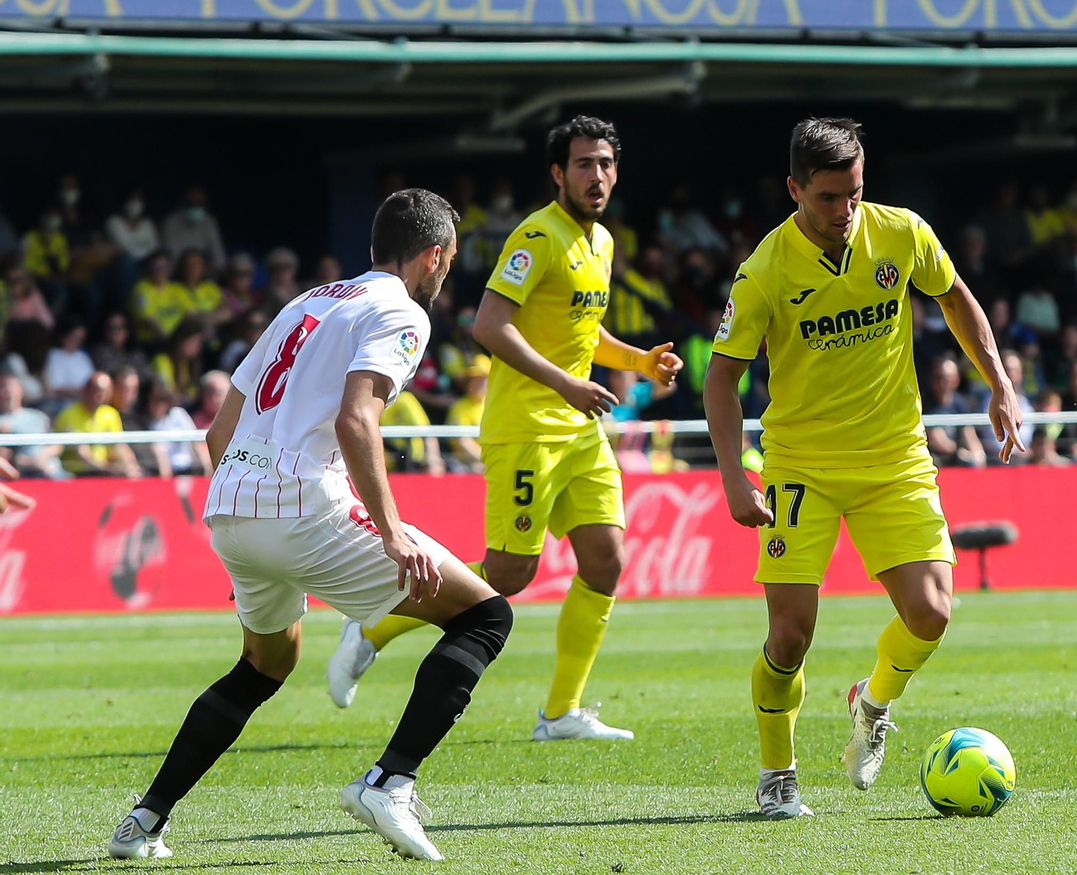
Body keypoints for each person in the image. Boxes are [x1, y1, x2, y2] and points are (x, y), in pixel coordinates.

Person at [108, 189, 512, 863]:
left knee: (266, 663)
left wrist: (246, 518)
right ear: (433, 255)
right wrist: (391, 529)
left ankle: (144, 819)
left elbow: (218, 430)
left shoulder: (309, 300)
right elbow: (358, 419)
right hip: (301, 501)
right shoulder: (401, 310)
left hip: (233, 503)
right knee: (485, 618)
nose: (446, 273)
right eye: (449, 259)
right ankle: (391, 780)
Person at [702, 118, 1023, 818]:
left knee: (932, 612)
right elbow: (721, 379)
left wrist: (996, 377)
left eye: (854, 192)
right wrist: (734, 476)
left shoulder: (901, 231)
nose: (845, 211)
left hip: (895, 457)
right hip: (801, 465)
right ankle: (776, 773)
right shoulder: (763, 272)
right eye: (827, 197)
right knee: (790, 634)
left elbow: (955, 294)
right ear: (794, 190)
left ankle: (872, 702)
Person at [332, 117, 681, 746]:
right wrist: (567, 384)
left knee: (606, 560)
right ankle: (376, 625)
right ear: (557, 173)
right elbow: (490, 327)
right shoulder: (537, 236)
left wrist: (638, 362)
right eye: (582, 164)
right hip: (525, 429)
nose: (595, 175)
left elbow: (583, 334)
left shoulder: (600, 242)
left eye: (604, 163)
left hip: (579, 431)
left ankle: (561, 713)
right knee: (510, 575)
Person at [55, 371, 140, 478]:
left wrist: (131, 466)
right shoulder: (69, 415)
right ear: (85, 390)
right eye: (96, 390)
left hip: (104, 473)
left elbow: (119, 446)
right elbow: (81, 453)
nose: (99, 395)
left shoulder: (110, 414)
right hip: (77, 475)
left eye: (104, 391)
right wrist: (111, 470)